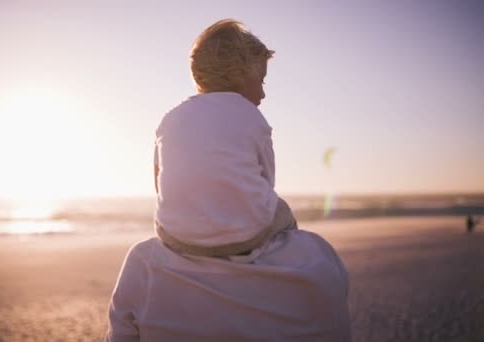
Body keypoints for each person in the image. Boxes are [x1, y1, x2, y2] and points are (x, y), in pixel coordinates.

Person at [107, 19, 351, 341]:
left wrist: (193, 218)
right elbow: (266, 180)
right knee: (291, 224)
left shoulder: (170, 119)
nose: (263, 93)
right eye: (261, 80)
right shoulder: (253, 116)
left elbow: (160, 185)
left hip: (178, 236)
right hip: (249, 235)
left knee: (137, 263)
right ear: (241, 73)